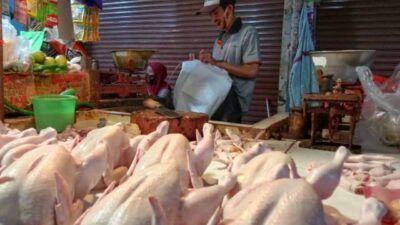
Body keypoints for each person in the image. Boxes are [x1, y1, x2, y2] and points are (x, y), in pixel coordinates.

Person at [196, 0, 261, 123]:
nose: (213, 19)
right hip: (216, 101)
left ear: (229, 10)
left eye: (216, 13)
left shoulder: (248, 32)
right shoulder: (219, 38)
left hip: (232, 106)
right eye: (210, 15)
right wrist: (205, 64)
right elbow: (217, 70)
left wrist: (216, 63)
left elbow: (252, 71)